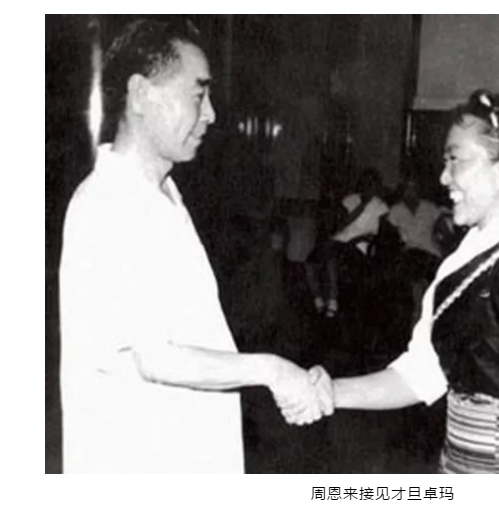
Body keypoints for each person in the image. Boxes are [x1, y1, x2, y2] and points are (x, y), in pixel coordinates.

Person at [58, 18, 331, 474]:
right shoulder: (109, 204)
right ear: (141, 95)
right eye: (197, 95)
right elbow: (156, 357)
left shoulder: (163, 194)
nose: (211, 114)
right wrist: (273, 371)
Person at [307, 90, 499, 473]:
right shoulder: (463, 263)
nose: (443, 177)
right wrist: (329, 392)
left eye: (456, 161)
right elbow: (421, 374)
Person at [304, 167, 389, 317]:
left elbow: (380, 234)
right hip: (339, 240)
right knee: (311, 261)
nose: (368, 187)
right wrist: (361, 206)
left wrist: (361, 239)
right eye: (365, 183)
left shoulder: (380, 206)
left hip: (360, 244)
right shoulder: (350, 200)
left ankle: (333, 298)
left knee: (331, 256)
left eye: (371, 184)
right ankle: (318, 298)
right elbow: (341, 223)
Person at [387, 178, 448, 322]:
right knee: (413, 268)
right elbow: (389, 236)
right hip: (409, 253)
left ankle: (422, 311)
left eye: (413, 189)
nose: (410, 192)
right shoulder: (396, 210)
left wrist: (442, 241)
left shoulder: (429, 207)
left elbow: (444, 231)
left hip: (430, 252)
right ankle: (418, 311)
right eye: (407, 189)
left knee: (423, 273)